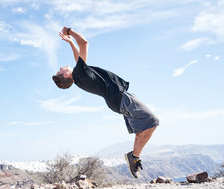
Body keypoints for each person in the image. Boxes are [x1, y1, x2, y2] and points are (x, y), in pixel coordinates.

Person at [52, 27, 159, 178]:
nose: (60, 68)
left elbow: (78, 58)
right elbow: (84, 43)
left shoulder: (79, 78)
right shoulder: (79, 74)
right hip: (121, 98)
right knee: (152, 122)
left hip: (117, 102)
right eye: (60, 71)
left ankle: (133, 157)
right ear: (66, 75)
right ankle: (134, 157)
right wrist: (70, 32)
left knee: (142, 130)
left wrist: (70, 43)